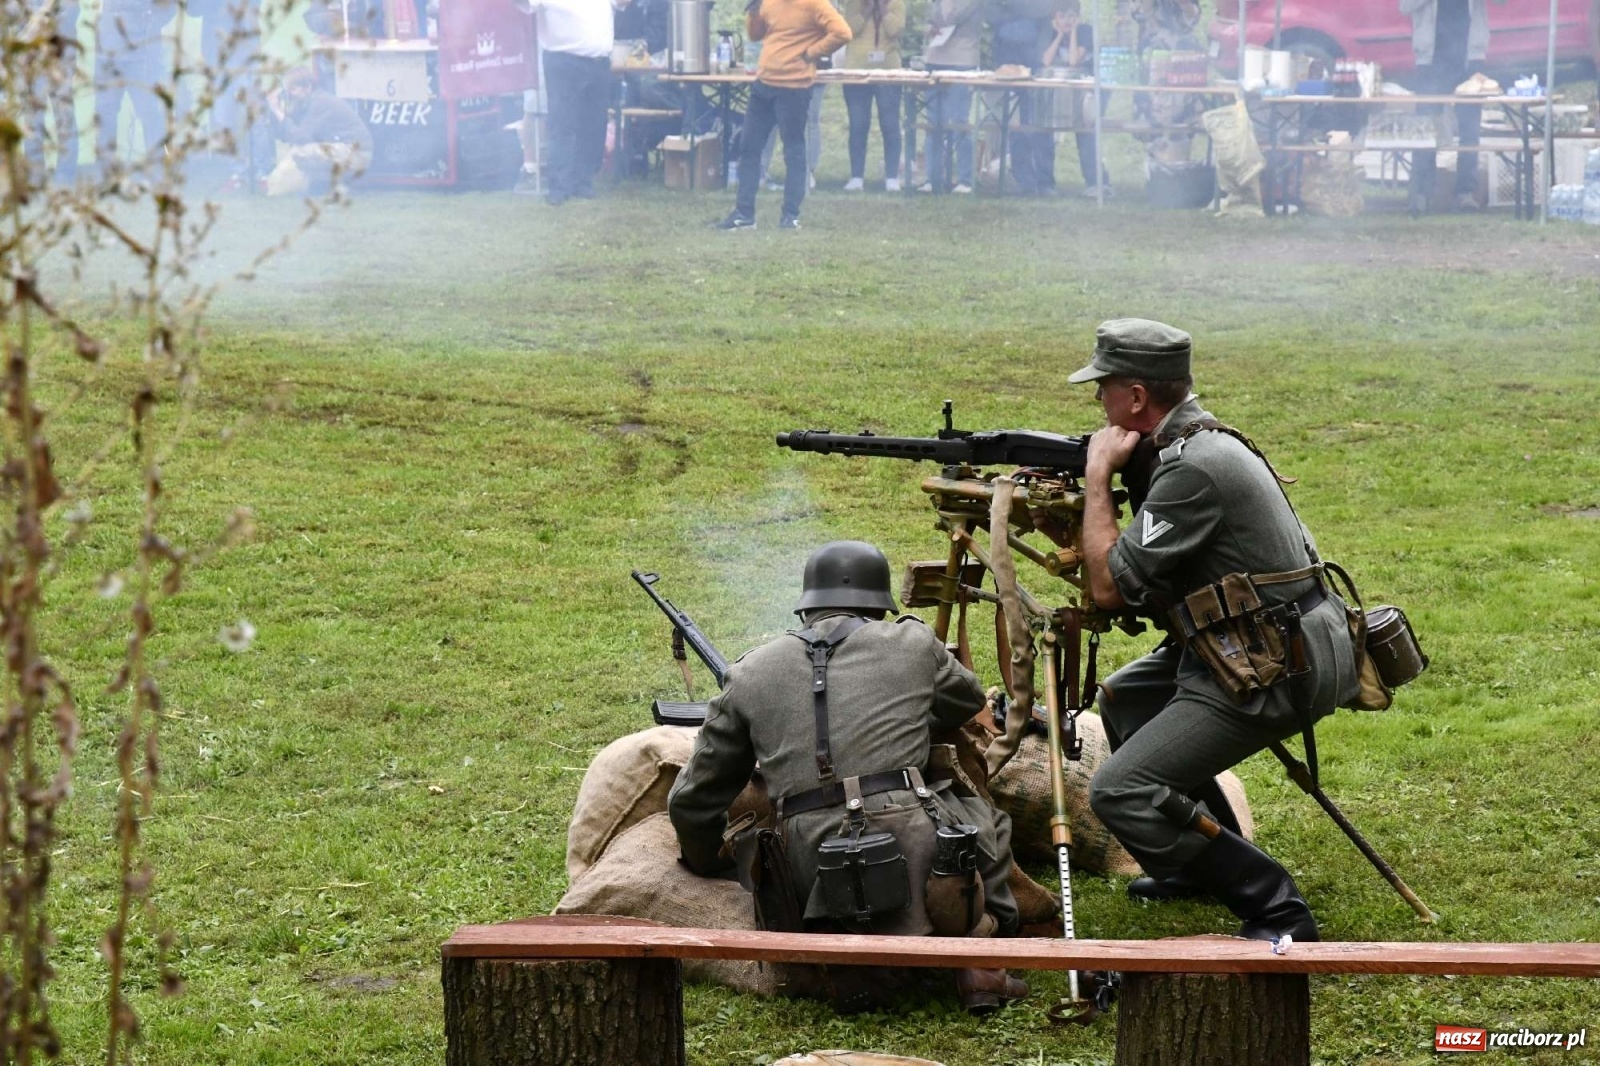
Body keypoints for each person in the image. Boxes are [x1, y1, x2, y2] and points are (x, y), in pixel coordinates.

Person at [1043, 318, 1359, 944]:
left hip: (1271, 666)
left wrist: (1097, 477)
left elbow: (1109, 587)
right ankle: (1192, 862)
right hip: (1258, 641)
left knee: (1121, 790)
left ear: (1136, 398)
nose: (1098, 403)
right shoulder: (1193, 441)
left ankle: (1275, 905)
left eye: (1104, 389)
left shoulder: (1193, 467)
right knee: (1125, 698)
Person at [668, 541, 1028, 1014]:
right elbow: (965, 702)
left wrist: (707, 863)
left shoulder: (749, 671)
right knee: (985, 822)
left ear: (807, 607)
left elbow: (693, 799)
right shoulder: (912, 643)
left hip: (807, 860)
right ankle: (984, 962)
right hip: (917, 837)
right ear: (878, 605)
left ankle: (850, 968)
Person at [717, 0, 850, 230]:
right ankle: (744, 214)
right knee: (749, 148)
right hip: (764, 83)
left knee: (793, 150)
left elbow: (842, 32)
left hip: (794, 87)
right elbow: (755, 35)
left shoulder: (815, 4)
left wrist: (811, 53)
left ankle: (790, 216)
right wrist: (755, 11)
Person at [1402, 0, 1498, 216]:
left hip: (1470, 58)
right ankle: (1422, 194)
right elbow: (1404, 6)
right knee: (1425, 129)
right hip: (1430, 58)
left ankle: (1465, 194)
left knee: (1469, 130)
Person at [521, 0, 613, 205]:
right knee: (563, 123)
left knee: (593, 123)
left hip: (598, 61)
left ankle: (583, 180)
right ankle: (560, 185)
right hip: (563, 60)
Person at [261, 67, 373, 195]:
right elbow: (286, 135)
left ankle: (340, 183)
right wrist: (272, 111)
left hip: (356, 152)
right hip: (344, 149)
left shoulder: (321, 102)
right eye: (287, 90)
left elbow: (300, 138)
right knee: (302, 151)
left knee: (300, 151)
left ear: (307, 87)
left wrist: (278, 111)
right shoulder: (305, 101)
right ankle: (327, 186)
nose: (290, 94)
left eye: (293, 89)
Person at [1040, 0, 1111, 197]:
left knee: (1086, 132)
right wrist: (1060, 35)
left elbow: (1073, 61)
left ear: (1078, 18)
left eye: (1071, 16)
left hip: (1091, 90)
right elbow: (1045, 60)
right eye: (1062, 16)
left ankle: (1098, 183)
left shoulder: (1086, 31)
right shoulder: (1049, 32)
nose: (1067, 20)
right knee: (1044, 130)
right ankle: (1045, 183)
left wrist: (1072, 33)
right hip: (1063, 91)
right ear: (1055, 17)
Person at [94, 0, 170, 171]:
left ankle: (158, 168)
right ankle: (106, 169)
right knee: (106, 110)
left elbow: (167, 7)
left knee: (149, 109)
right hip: (110, 44)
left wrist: (155, 18)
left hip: (145, 44)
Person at [917, 0, 982, 193]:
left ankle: (965, 180)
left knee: (959, 121)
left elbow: (952, 17)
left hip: (963, 60)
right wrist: (928, 28)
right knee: (933, 122)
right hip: (935, 58)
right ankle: (933, 178)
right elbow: (929, 20)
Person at [839, 0, 903, 191]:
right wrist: (865, 11)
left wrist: (882, 9)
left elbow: (895, 30)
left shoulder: (896, 3)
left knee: (890, 124)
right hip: (856, 70)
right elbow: (847, 30)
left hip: (888, 71)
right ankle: (857, 177)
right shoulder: (853, 4)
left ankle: (892, 177)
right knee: (858, 124)